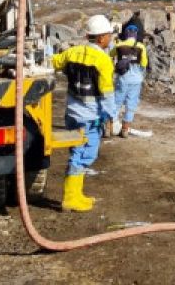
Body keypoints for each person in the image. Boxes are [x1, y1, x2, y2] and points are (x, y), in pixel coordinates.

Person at [50, 14, 118, 212]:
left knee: (77, 151)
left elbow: (53, 62)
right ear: (100, 38)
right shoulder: (103, 60)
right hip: (89, 116)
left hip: (71, 112)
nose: (110, 39)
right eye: (108, 35)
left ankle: (76, 194)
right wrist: (111, 117)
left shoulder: (72, 53)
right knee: (84, 154)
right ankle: (70, 198)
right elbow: (106, 94)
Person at [112, 24, 148, 138]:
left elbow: (109, 55)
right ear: (136, 34)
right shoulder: (141, 47)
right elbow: (144, 64)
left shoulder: (119, 45)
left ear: (126, 33)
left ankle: (109, 127)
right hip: (136, 80)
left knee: (116, 103)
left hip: (122, 78)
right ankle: (125, 130)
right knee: (131, 104)